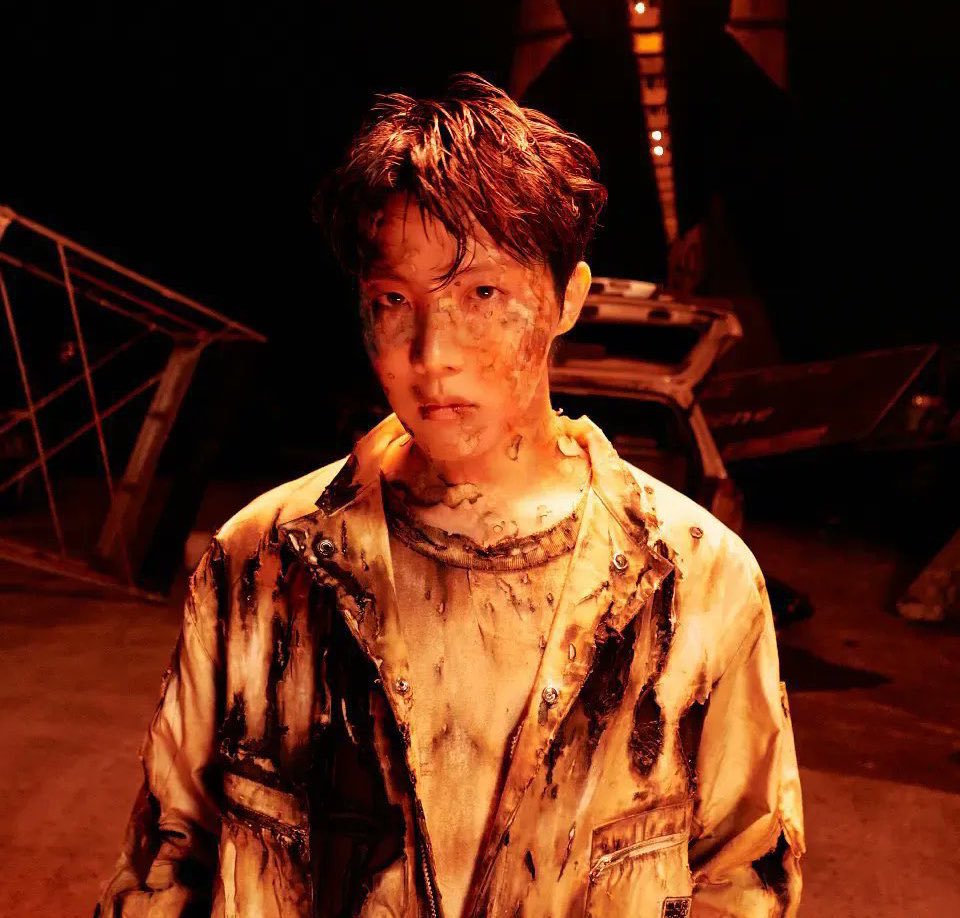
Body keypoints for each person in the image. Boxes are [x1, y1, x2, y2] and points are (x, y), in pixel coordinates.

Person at [97, 73, 804, 918]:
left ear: (568, 299)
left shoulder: (698, 582)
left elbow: (746, 883)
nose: (433, 353)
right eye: (394, 300)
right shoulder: (262, 562)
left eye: (483, 294)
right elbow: (168, 865)